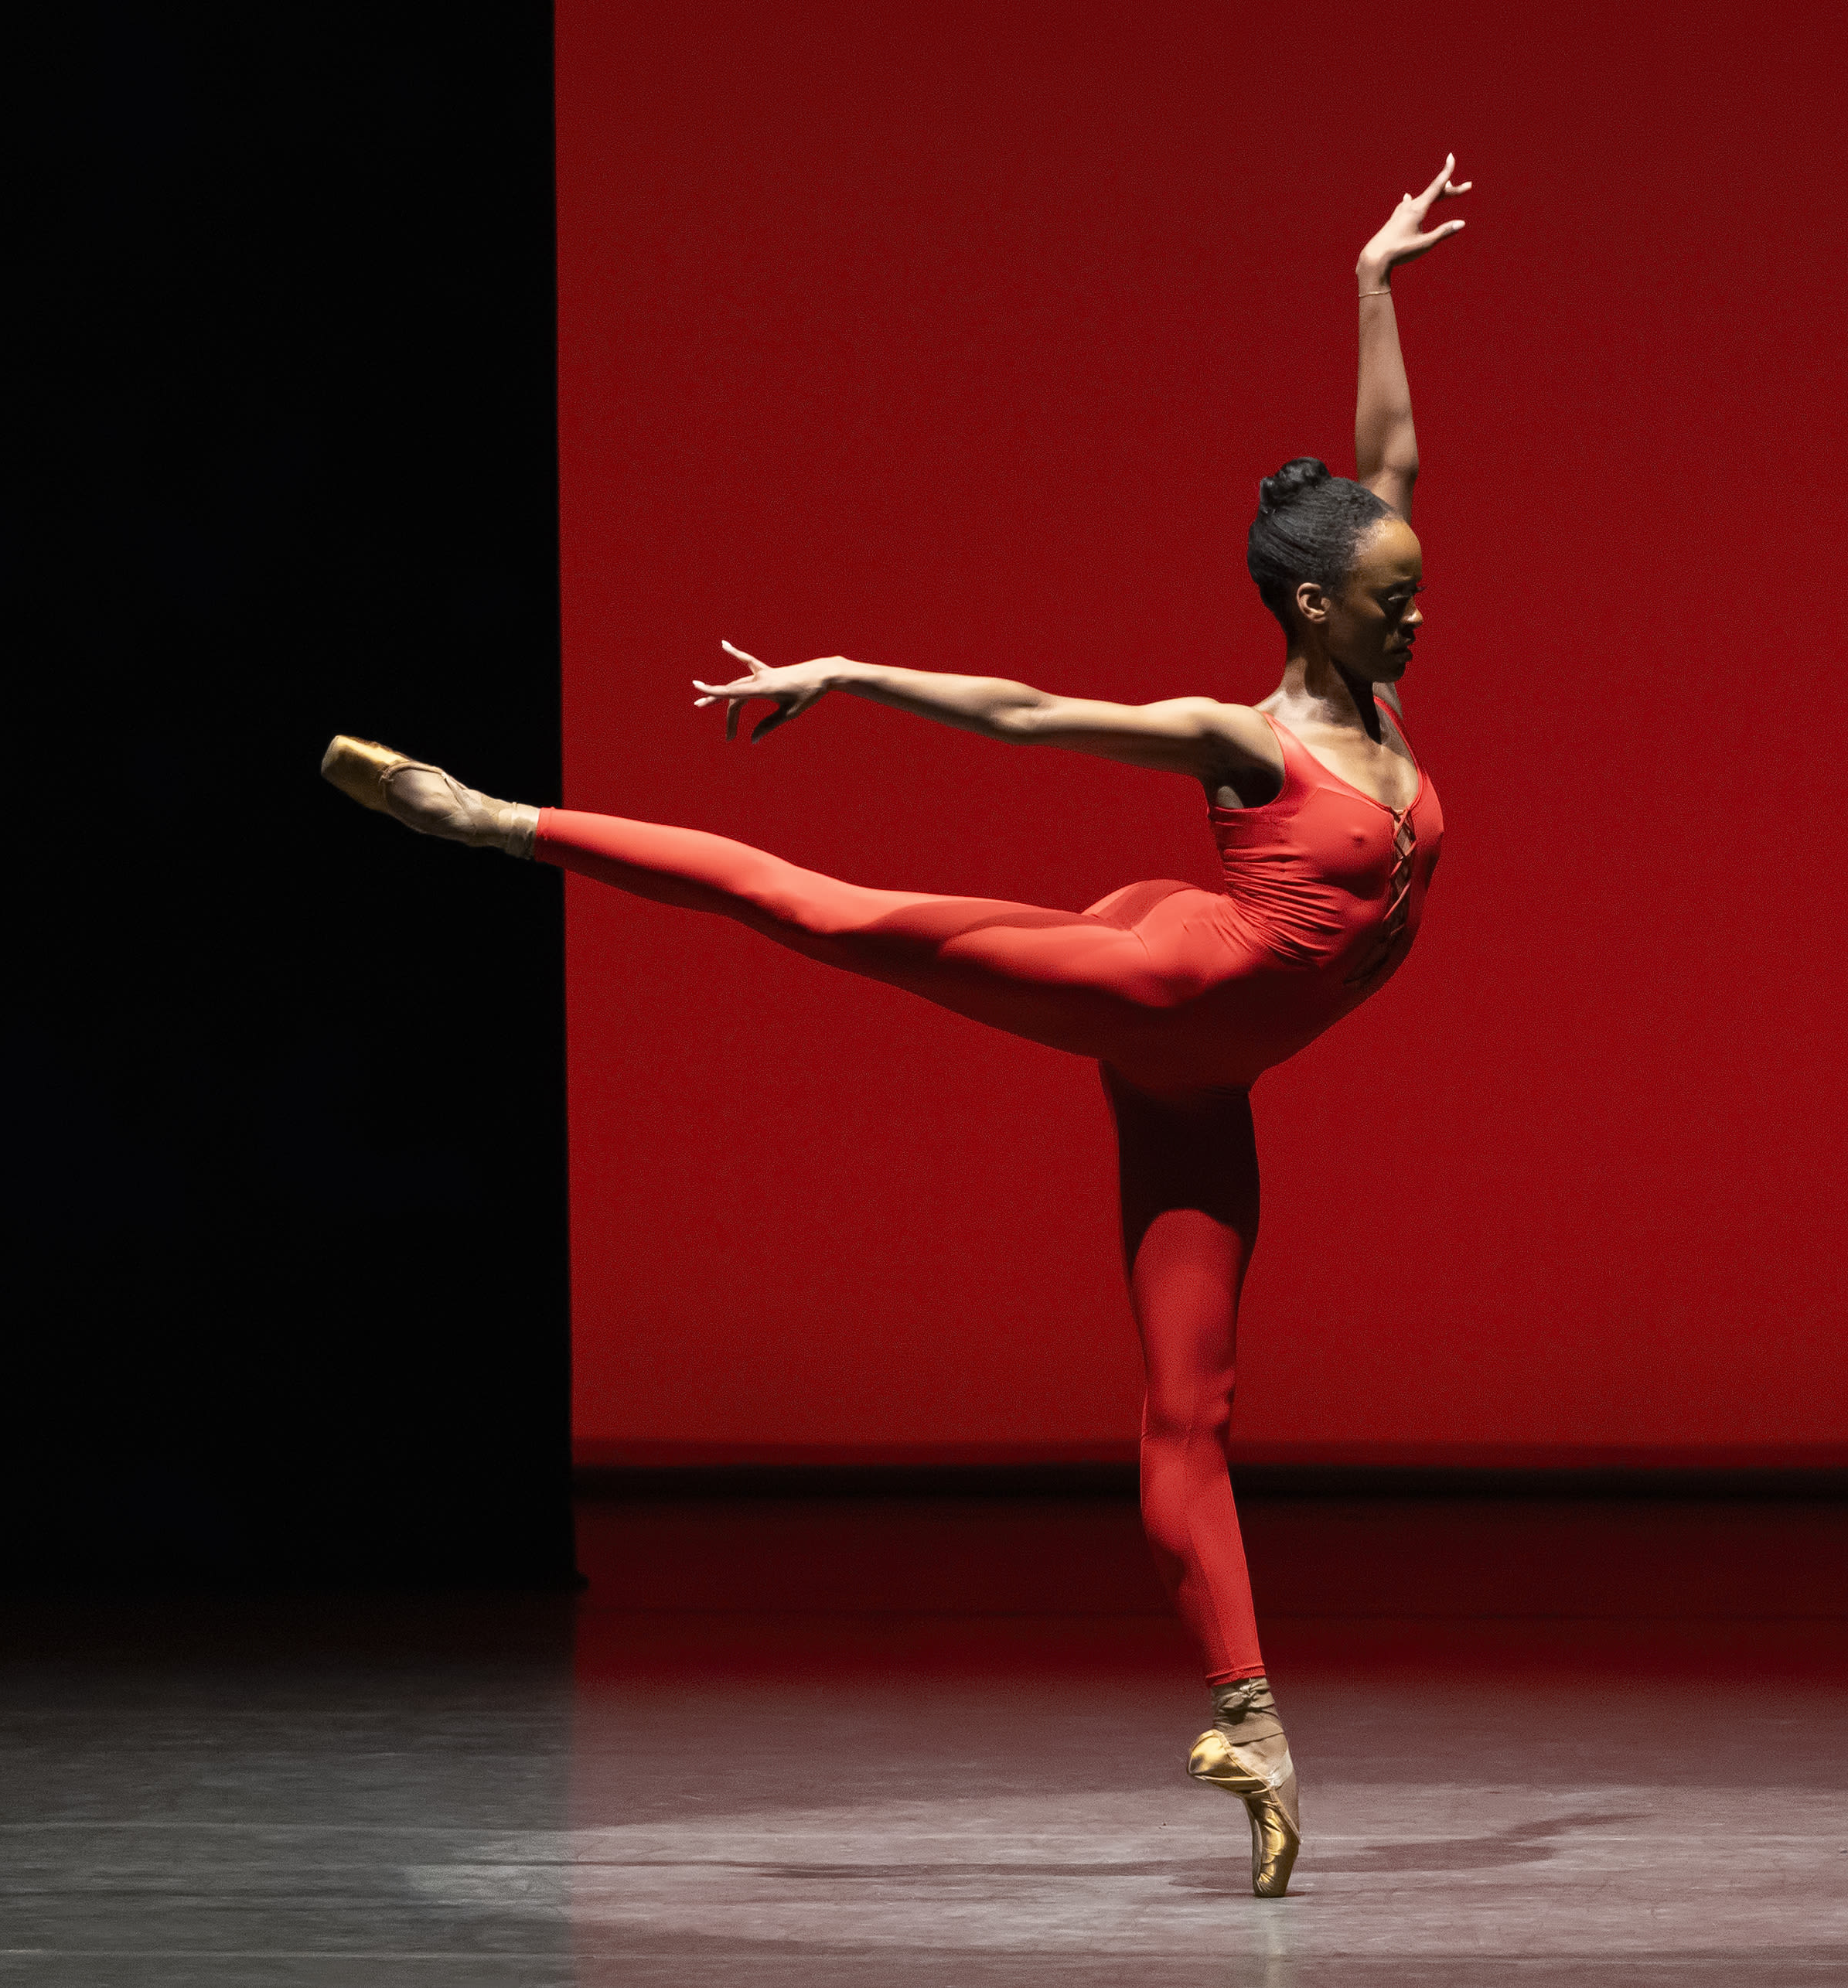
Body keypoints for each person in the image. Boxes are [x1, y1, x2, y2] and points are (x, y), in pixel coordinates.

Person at [322, 158, 1471, 1898]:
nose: (1418, 608)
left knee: (1191, 1407)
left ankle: (1248, 1721)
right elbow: (1027, 713)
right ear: (1314, 608)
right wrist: (848, 670)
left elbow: (1389, 466)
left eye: (1414, 585)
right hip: (1159, 984)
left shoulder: (1374, 679)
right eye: (1391, 594)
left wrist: (1373, 281)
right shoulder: (1244, 737)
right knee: (830, 912)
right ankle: (489, 817)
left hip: (1210, 1070)